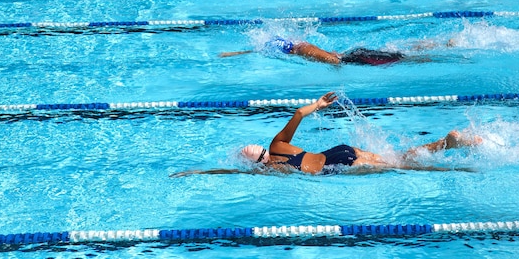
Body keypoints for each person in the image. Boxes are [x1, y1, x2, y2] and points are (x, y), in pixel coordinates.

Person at [171, 92, 482, 177]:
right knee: (397, 158)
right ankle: (445, 144)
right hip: (338, 151)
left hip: (338, 166)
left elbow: (227, 171)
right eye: (247, 149)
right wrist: (317, 105)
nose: (248, 146)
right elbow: (297, 115)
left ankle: (454, 159)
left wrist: (197, 170)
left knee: (402, 165)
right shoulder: (275, 152)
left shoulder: (271, 164)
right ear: (256, 156)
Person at [220, 37, 406, 66]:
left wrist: (335, 66)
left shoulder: (302, 50)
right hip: (355, 54)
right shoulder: (299, 45)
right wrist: (234, 54)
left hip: (359, 58)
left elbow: (334, 61)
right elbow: (256, 49)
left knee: (405, 59)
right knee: (402, 56)